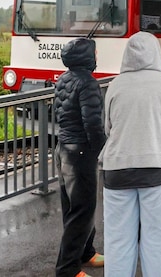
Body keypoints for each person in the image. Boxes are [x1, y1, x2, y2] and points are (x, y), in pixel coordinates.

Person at [100, 32, 161, 277]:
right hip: (158, 170)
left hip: (116, 171)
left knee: (118, 242)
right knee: (157, 241)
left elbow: (108, 127)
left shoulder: (116, 84)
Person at [53, 37, 106, 277]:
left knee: (72, 207)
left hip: (63, 148)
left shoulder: (64, 79)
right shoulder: (88, 83)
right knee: (82, 210)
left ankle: (87, 252)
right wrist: (100, 150)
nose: (97, 57)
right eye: (95, 53)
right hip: (80, 152)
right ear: (88, 57)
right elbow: (93, 123)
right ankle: (68, 269)